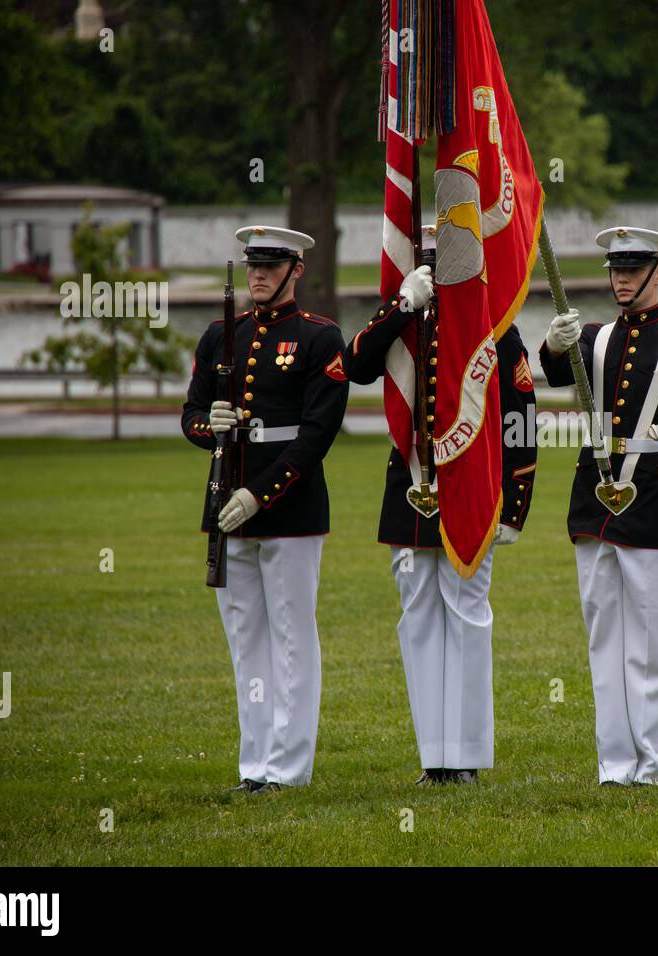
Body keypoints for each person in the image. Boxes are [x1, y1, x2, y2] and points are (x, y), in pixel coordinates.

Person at [343, 224, 538, 785]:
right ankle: (435, 757)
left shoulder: (494, 326)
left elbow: (519, 419)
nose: (437, 266)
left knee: (467, 617)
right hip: (409, 489)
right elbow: (353, 365)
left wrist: (513, 507)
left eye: (443, 256)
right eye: (428, 258)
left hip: (470, 490)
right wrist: (402, 307)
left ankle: (468, 756)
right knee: (419, 622)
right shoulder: (402, 322)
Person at [539, 226, 658, 786]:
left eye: (632, 268)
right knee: (603, 638)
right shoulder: (591, 335)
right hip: (594, 502)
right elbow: (548, 376)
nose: (621, 279)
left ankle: (650, 764)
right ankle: (614, 764)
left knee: (645, 638)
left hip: (655, 501)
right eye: (615, 269)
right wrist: (551, 343)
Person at [181, 225, 349, 794]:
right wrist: (211, 427)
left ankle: (289, 767)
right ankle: (255, 765)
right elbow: (191, 415)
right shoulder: (218, 336)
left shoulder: (320, 338)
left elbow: (316, 434)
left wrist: (261, 493)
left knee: (293, 638)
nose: (258, 275)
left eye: (272, 265)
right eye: (253, 264)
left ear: (295, 270)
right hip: (226, 499)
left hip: (290, 507)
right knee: (246, 640)